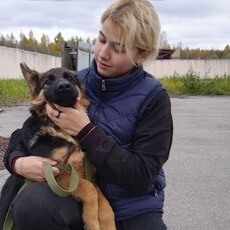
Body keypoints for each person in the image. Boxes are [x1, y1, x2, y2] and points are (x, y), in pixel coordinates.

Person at [3, 0, 173, 229]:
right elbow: (26, 132)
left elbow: (141, 176)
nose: (103, 53)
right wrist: (17, 162)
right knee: (33, 204)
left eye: (118, 48)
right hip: (77, 198)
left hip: (131, 207)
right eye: (102, 39)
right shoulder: (73, 83)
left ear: (142, 54)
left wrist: (86, 131)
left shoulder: (154, 98)